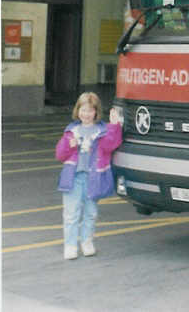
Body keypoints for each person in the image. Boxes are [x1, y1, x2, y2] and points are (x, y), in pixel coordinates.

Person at [54, 92, 123, 260]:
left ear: (96, 112)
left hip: (94, 178)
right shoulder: (71, 130)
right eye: (83, 110)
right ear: (78, 111)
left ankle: (87, 242)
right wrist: (68, 146)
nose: (86, 114)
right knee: (71, 213)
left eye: (90, 111)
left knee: (91, 212)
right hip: (74, 178)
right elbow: (60, 155)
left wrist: (114, 126)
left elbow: (110, 146)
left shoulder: (102, 130)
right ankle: (70, 245)